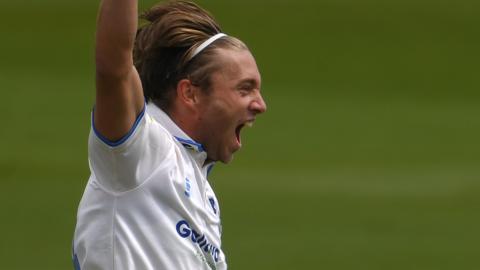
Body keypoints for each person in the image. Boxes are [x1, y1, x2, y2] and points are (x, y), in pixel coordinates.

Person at [72, 0, 267, 269]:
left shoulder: (203, 193)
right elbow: (113, 67)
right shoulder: (140, 151)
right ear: (191, 93)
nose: (261, 105)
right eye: (245, 89)